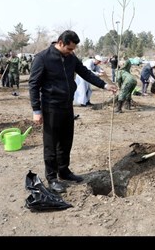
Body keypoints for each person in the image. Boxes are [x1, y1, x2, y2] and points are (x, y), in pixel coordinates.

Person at [29, 30, 117, 193]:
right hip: (51, 106)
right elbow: (33, 85)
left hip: (67, 106)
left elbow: (85, 73)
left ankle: (64, 170)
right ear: (60, 43)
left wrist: (104, 85)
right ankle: (52, 177)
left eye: (73, 49)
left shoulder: (71, 58)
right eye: (69, 49)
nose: (72, 52)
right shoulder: (42, 58)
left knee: (66, 140)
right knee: (51, 143)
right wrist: (36, 109)